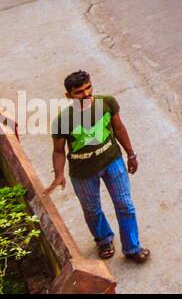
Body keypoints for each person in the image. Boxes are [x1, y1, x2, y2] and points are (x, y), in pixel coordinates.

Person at [45, 70, 150, 263]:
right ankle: (103, 239)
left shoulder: (107, 103)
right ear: (69, 95)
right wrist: (58, 174)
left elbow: (119, 128)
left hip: (113, 162)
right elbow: (59, 151)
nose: (86, 94)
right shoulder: (62, 121)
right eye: (79, 92)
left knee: (125, 205)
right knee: (92, 210)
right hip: (83, 173)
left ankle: (132, 247)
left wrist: (131, 154)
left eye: (88, 88)